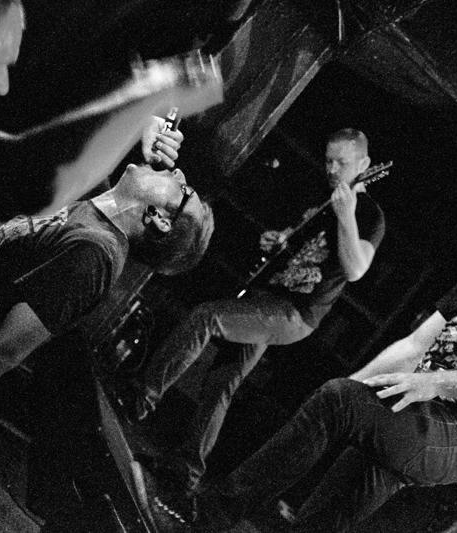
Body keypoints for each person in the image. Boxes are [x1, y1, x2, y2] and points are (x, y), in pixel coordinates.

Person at [195, 149, 457, 532]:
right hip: (412, 408)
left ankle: (214, 511)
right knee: (326, 514)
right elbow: (414, 345)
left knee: (338, 401)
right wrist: (353, 388)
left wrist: (433, 383)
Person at [0, 162, 214, 493]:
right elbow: (92, 150)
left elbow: (1, 354)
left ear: (160, 219)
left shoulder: (94, 255)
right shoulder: (97, 212)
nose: (179, 172)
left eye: (184, 189)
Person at [0, 0, 219, 318]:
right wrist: (157, 90)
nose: (3, 85)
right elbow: (31, 179)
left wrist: (138, 118)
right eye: (0, 61)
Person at [130, 128, 385, 522]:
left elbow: (355, 269)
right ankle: (185, 473)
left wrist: (346, 217)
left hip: (295, 313)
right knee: (223, 380)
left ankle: (138, 400)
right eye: (328, 160)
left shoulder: (368, 215)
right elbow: (301, 250)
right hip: (267, 297)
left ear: (364, 165)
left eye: (342, 163)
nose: (332, 169)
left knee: (206, 317)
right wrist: (278, 241)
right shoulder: (323, 199)